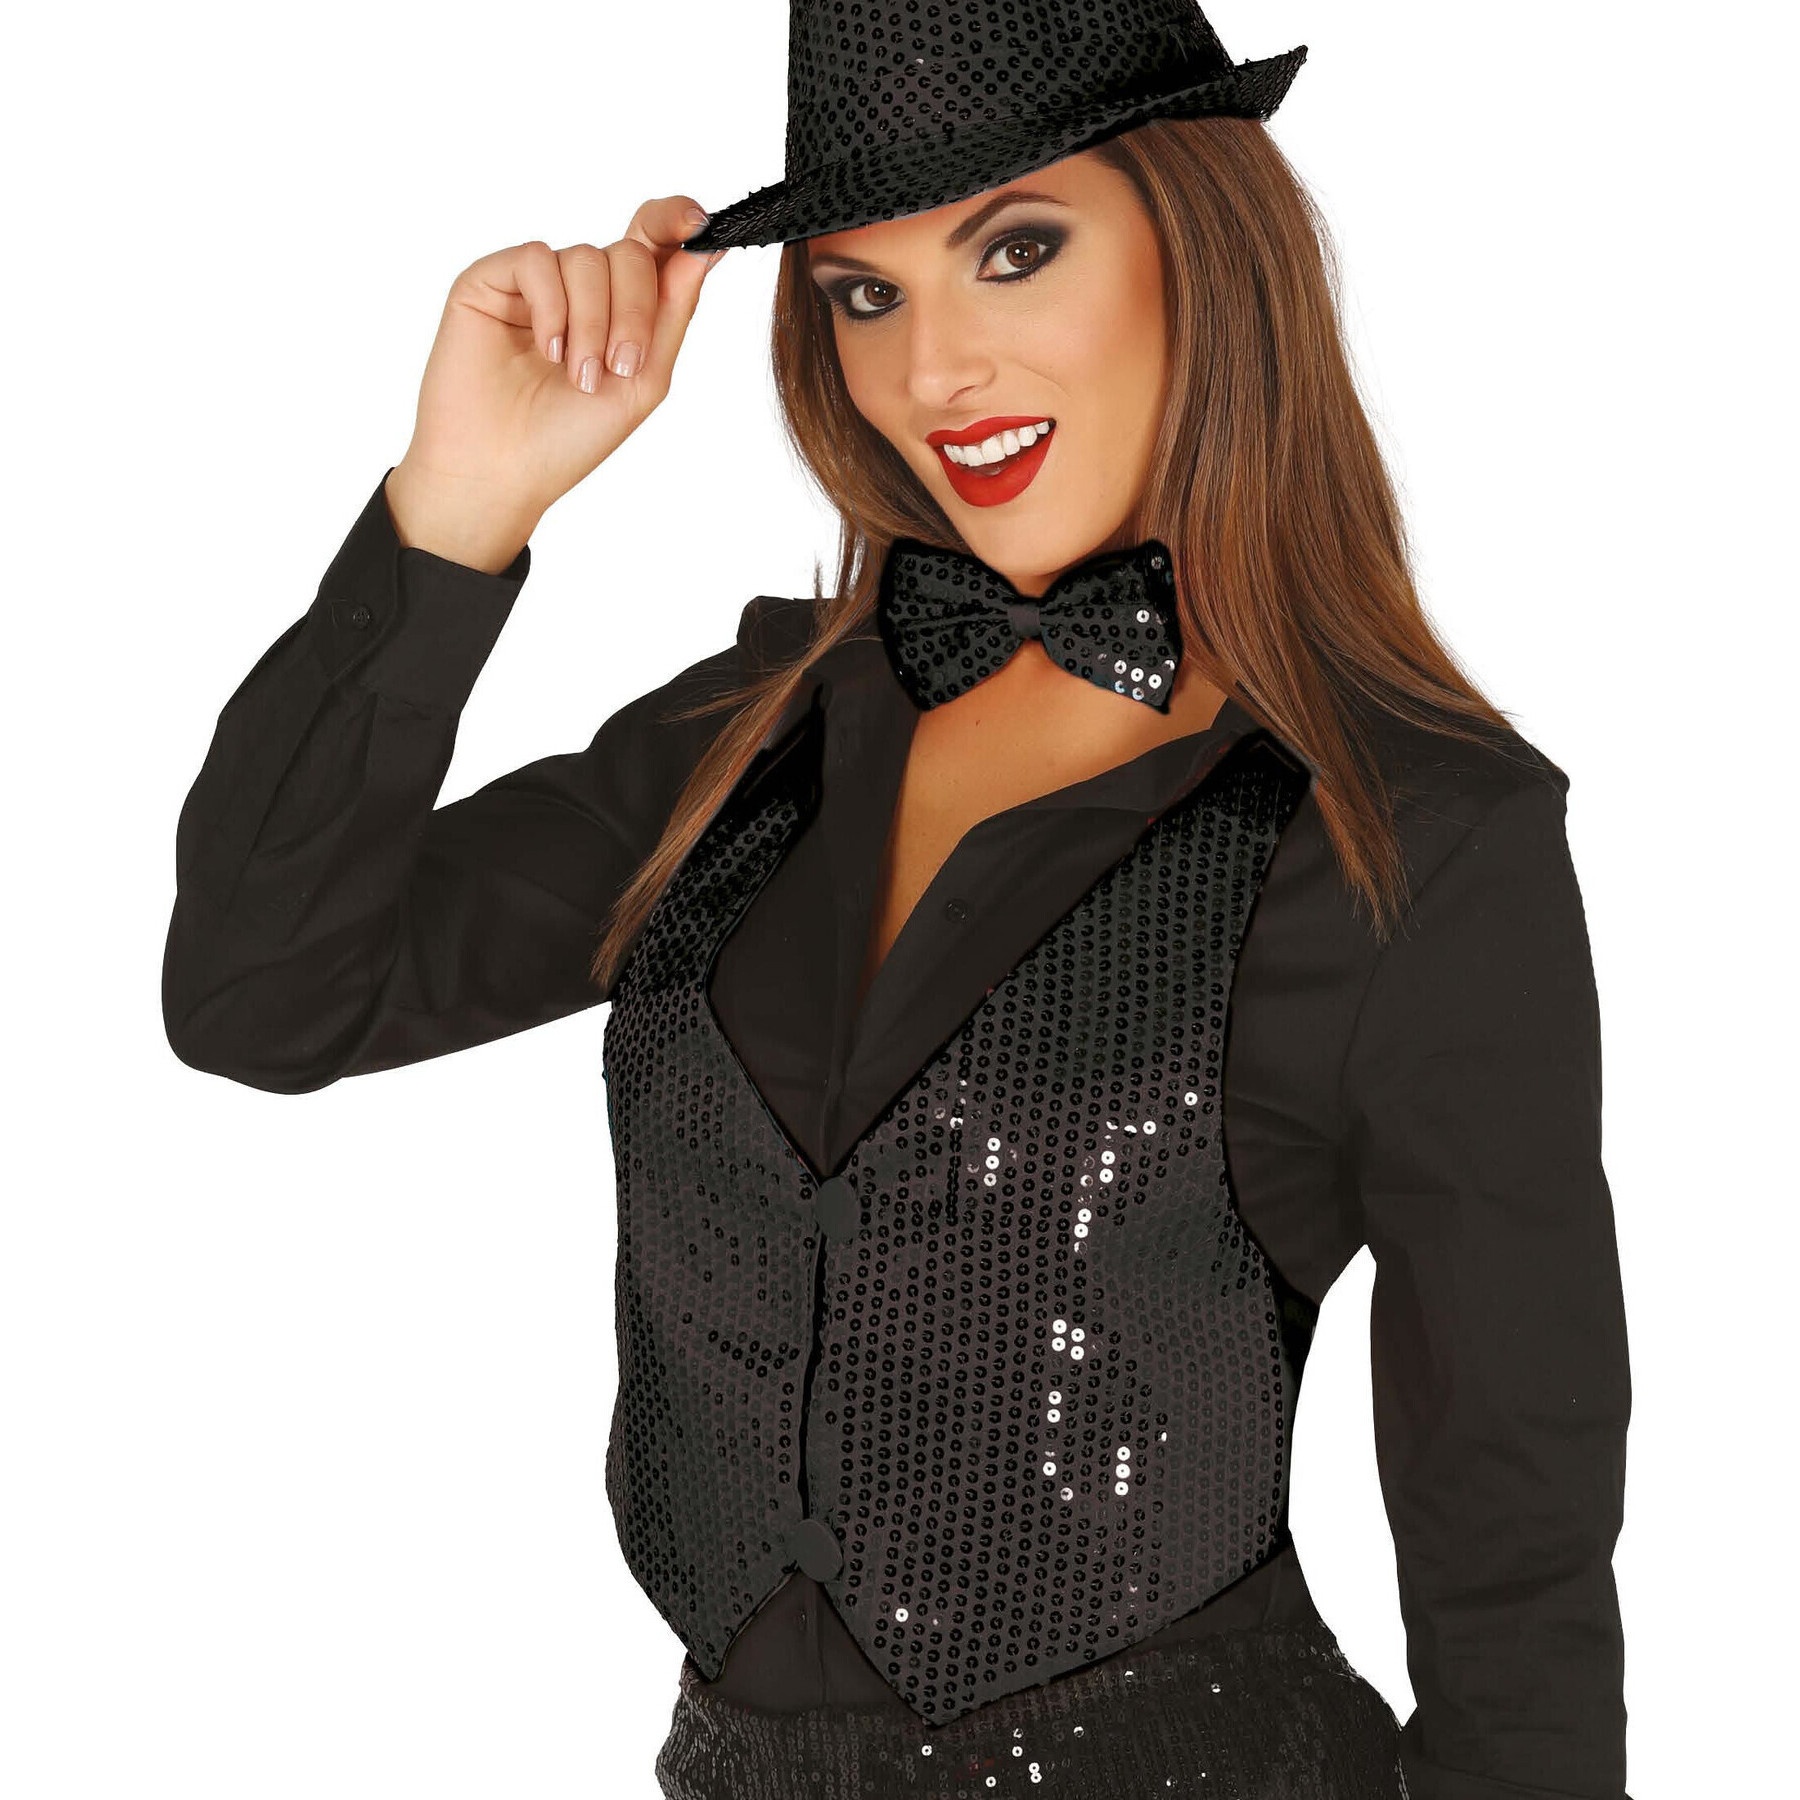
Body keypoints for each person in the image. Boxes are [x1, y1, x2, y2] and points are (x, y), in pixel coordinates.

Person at [161, 5, 1632, 1796]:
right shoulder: (752, 734)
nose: (934, 371)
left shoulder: (1415, 835)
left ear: (1203, 249)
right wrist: (455, 513)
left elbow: (1515, 1567)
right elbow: (262, 995)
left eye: (1015, 253)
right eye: (865, 294)